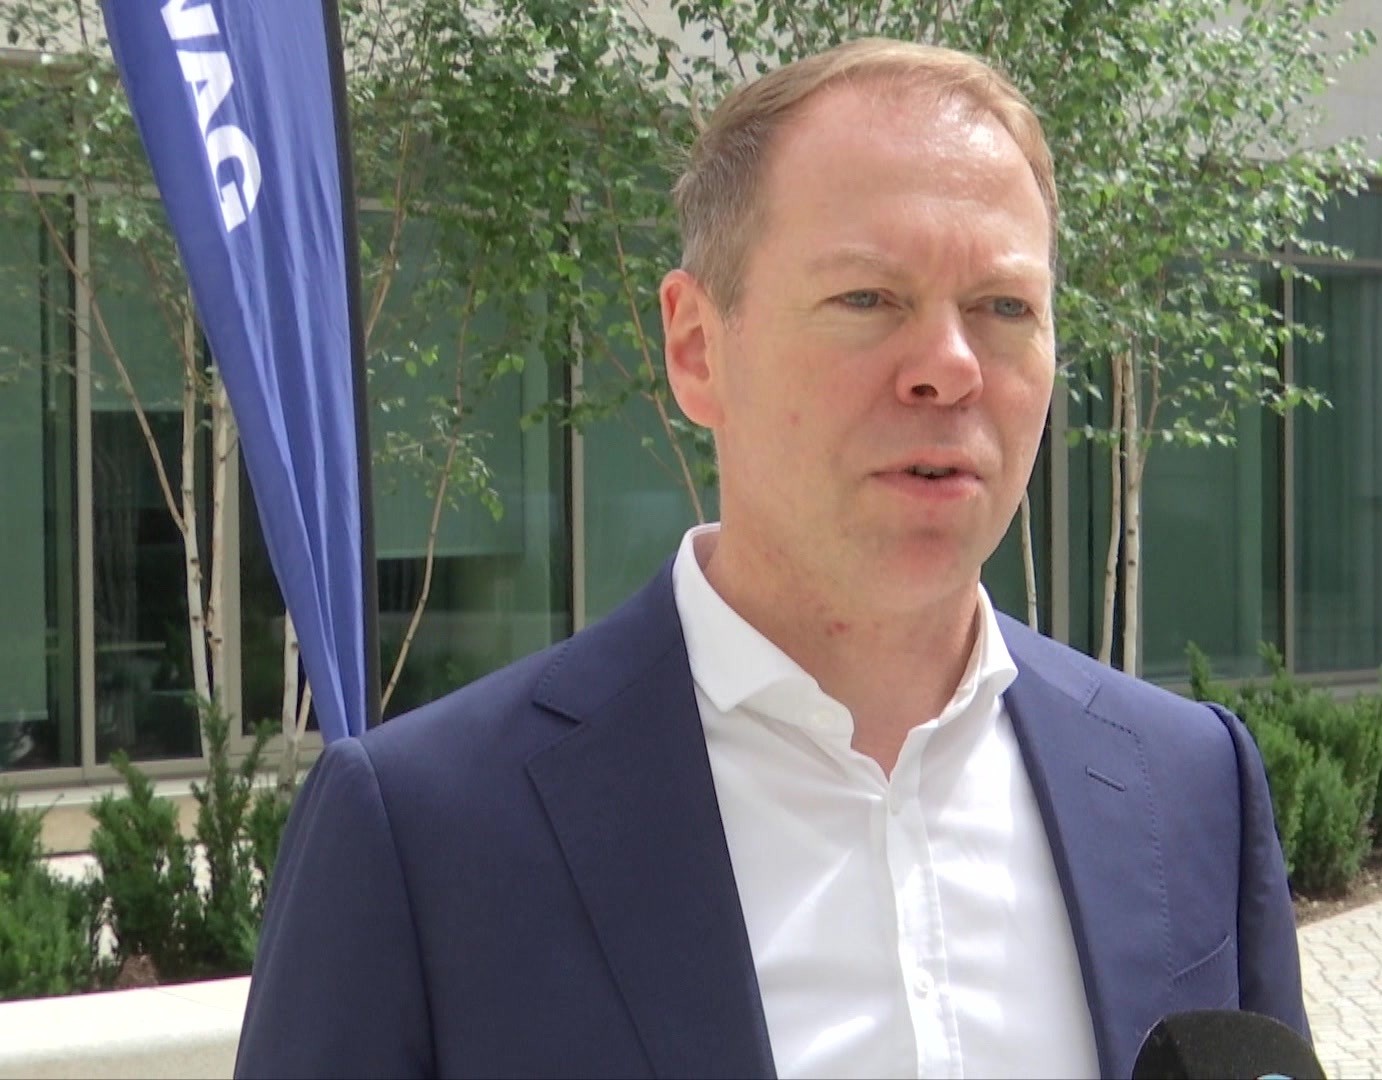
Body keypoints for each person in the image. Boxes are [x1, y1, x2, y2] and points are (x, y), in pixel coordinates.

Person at [235, 37, 1309, 1080]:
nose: (949, 366)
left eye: (1003, 308)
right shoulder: (425, 836)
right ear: (697, 347)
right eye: (869, 298)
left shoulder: (1190, 786)